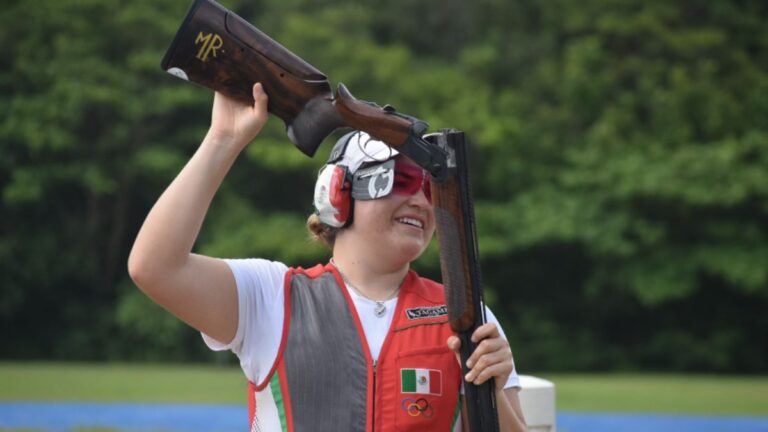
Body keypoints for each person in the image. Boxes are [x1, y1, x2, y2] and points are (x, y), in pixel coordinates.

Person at [128, 83, 527, 431]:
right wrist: (222, 139)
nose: (421, 200)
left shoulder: (466, 317)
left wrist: (493, 393)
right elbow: (156, 266)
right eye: (399, 179)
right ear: (336, 193)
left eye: (430, 188)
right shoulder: (272, 298)